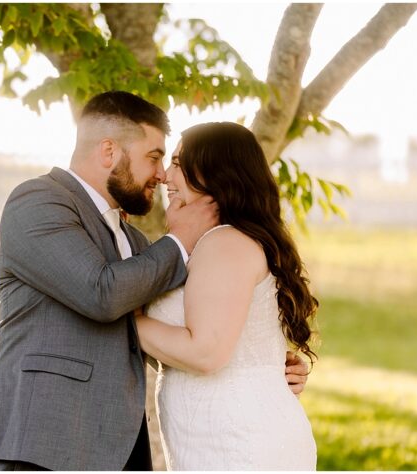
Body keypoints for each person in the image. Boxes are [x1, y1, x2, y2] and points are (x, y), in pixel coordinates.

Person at [0, 92, 309, 470]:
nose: (162, 175)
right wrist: (179, 242)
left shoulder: (137, 242)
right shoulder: (37, 202)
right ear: (109, 151)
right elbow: (102, 295)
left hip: (117, 445)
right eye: (155, 157)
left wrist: (261, 361)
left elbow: (168, 336)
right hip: (42, 436)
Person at [134, 122, 318, 470]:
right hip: (221, 438)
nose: (166, 176)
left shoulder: (226, 244)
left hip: (237, 445)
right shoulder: (217, 243)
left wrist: (120, 317)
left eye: (177, 162)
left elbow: (206, 351)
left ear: (214, 173)